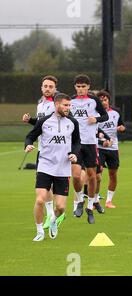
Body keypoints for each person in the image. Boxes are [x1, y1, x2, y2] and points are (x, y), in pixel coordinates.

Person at [24, 93, 80, 241]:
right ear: (56, 105)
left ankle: (54, 220)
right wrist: (28, 144)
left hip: (63, 168)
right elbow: (30, 136)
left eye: (69, 105)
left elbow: (76, 142)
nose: (68, 108)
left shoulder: (73, 123)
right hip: (45, 165)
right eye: (65, 105)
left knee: (61, 207)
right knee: (40, 200)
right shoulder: (44, 121)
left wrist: (74, 154)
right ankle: (40, 231)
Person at [21, 75, 66, 229]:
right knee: (45, 187)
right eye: (45, 86)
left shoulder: (58, 104)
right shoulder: (40, 104)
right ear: (41, 87)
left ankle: (57, 213)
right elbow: (41, 124)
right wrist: (30, 121)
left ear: (55, 88)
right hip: (44, 151)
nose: (47, 89)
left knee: (54, 188)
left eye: (50, 86)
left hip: (59, 152)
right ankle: (50, 215)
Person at [71, 74, 109, 224]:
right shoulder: (71, 100)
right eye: (78, 86)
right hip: (75, 143)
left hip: (90, 143)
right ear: (75, 87)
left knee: (92, 175)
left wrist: (96, 119)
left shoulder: (93, 100)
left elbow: (105, 115)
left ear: (88, 87)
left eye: (83, 86)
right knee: (75, 175)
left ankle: (90, 205)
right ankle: (80, 200)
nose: (81, 89)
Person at [96, 90, 126, 208]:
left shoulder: (116, 112)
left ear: (108, 100)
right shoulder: (95, 115)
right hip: (99, 147)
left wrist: (121, 128)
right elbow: (92, 132)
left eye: (105, 100)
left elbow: (122, 125)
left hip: (113, 148)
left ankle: (108, 201)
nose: (103, 102)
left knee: (113, 173)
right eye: (101, 100)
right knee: (98, 173)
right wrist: (102, 141)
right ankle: (95, 200)